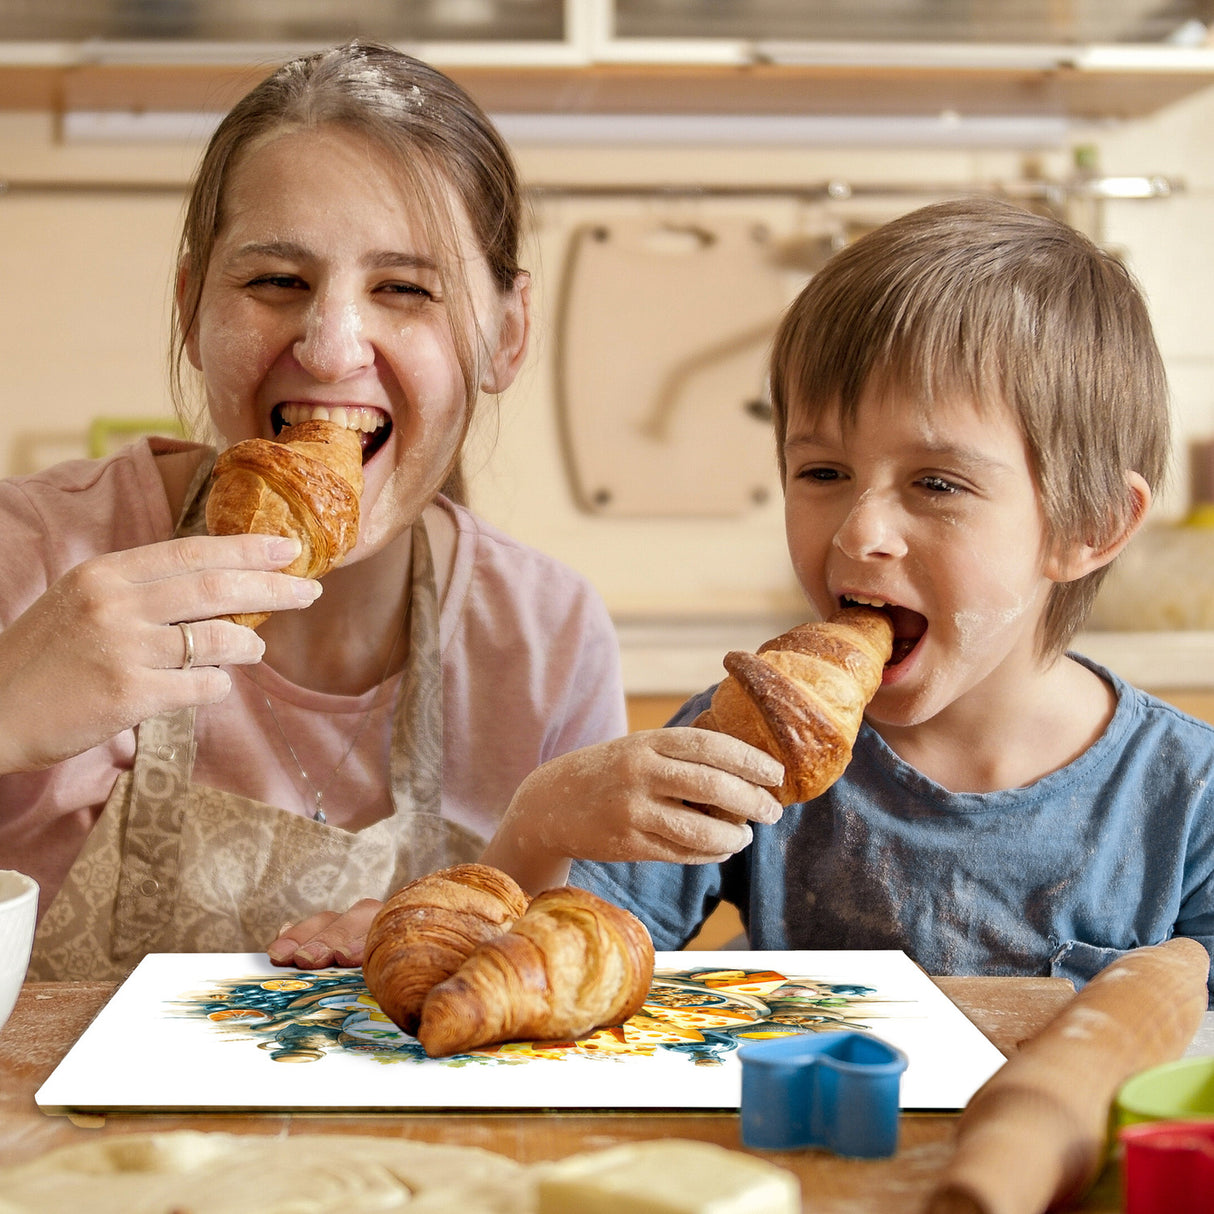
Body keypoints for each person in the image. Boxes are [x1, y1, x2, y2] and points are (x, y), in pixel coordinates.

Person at [1, 40, 631, 981]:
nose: (333, 347)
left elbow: (585, 986)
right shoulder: (35, 557)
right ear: (190, 308)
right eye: (275, 282)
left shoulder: (545, 638)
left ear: (506, 334)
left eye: (405, 290)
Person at [489, 196, 1214, 998]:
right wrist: (540, 820)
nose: (859, 531)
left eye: (937, 483)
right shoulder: (748, 740)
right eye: (824, 473)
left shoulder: (1188, 800)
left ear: (1090, 525)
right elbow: (550, 970)